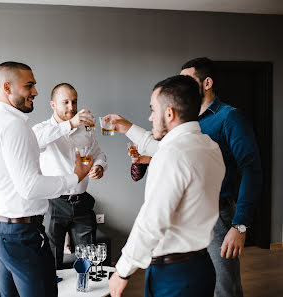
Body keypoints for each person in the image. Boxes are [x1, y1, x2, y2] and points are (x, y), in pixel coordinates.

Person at [108, 57, 262, 297]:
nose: (150, 117)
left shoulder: (228, 119)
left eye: (153, 111)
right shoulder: (205, 142)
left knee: (226, 288)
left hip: (211, 226)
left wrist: (123, 270)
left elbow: (251, 169)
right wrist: (127, 128)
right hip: (197, 255)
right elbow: (164, 148)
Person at [0, 62, 94, 297]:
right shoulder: (14, 126)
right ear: (7, 87)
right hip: (19, 234)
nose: (35, 92)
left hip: (0, 227)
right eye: (29, 86)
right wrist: (75, 177)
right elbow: (30, 187)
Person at [32, 83, 107, 269]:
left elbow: (98, 153)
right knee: (51, 259)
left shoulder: (86, 129)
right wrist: (70, 124)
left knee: (88, 260)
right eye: (65, 102)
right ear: (52, 105)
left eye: (74, 102)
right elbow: (37, 142)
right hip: (53, 203)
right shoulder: (41, 130)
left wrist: (99, 166)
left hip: (82, 202)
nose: (71, 107)